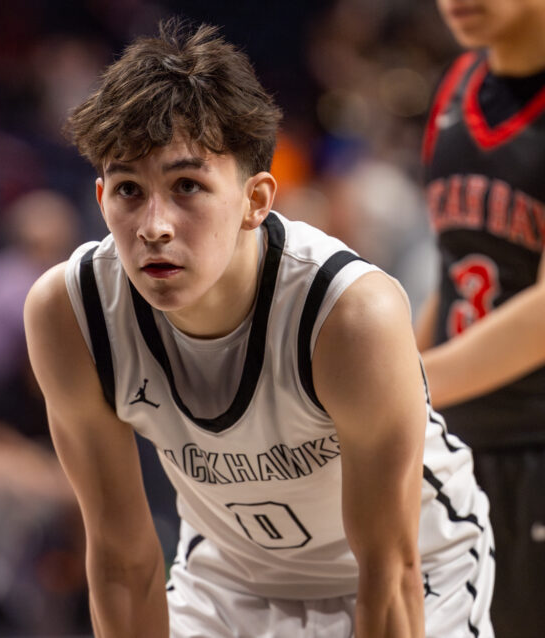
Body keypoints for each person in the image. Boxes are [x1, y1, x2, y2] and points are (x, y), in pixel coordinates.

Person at [24, 21, 494, 638]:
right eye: (129, 191)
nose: (154, 225)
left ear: (256, 199)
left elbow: (391, 572)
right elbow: (121, 559)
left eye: (187, 186)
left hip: (414, 570)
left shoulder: (350, 315)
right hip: (230, 580)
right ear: (100, 196)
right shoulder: (71, 311)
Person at [416, 1, 545, 636]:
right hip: (458, 445)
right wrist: (387, 365)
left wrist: (406, 386)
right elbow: (453, 267)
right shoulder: (456, 84)